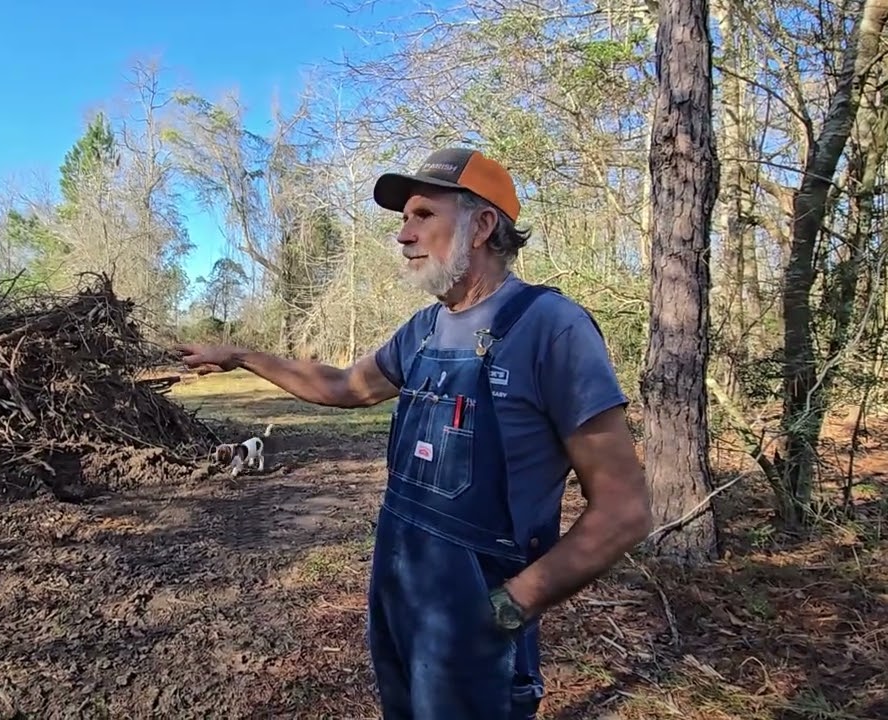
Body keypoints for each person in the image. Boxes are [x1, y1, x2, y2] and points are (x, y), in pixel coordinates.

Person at [175, 147, 652, 719]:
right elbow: (344, 385)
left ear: (482, 225)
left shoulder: (552, 329)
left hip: (479, 623)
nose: (404, 235)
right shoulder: (423, 331)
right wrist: (242, 355)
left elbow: (623, 510)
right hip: (400, 593)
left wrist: (507, 608)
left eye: (423, 215)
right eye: (404, 219)